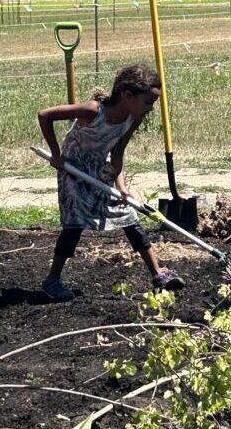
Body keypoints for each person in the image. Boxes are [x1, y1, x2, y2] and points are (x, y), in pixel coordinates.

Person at [39, 63, 185, 300]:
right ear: (128, 95)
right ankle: (52, 280)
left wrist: (122, 186)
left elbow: (117, 154)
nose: (150, 108)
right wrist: (56, 154)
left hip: (99, 171)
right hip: (73, 172)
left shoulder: (132, 119)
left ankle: (159, 273)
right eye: (148, 102)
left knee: (129, 215)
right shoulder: (93, 111)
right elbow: (45, 115)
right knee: (74, 225)